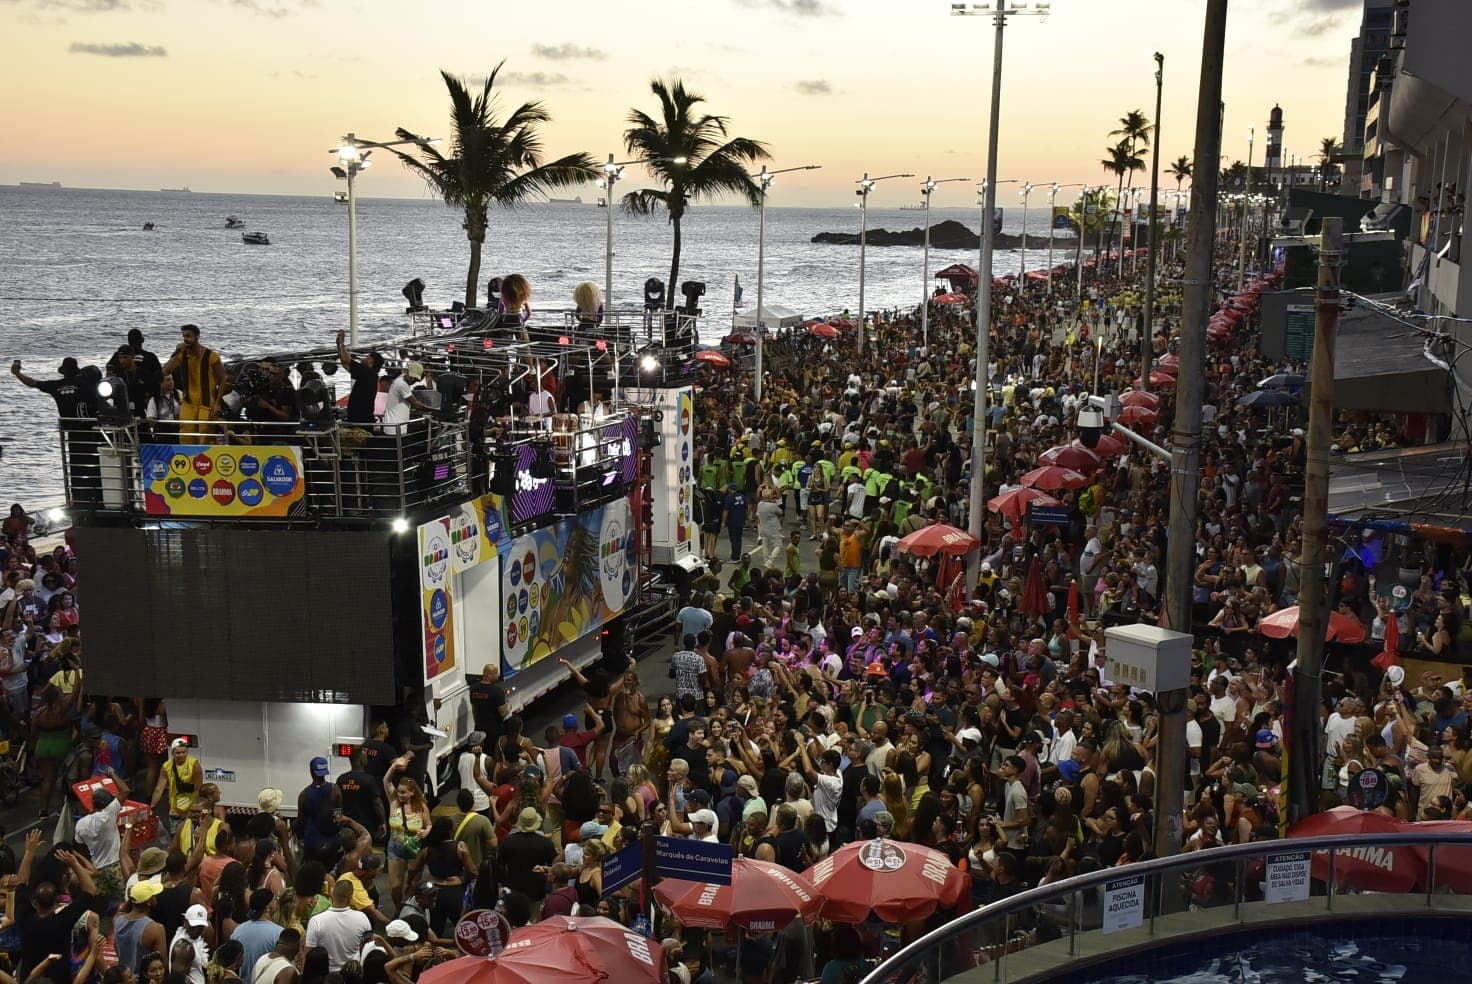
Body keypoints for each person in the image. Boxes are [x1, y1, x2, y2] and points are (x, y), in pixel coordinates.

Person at [495, 808, 556, 921]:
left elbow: (499, 866)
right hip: (536, 892)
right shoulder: (546, 843)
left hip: (513, 891)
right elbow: (555, 866)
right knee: (533, 924)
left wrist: (503, 884)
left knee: (513, 923)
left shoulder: (508, 841)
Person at [160, 325, 226, 426]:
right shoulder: (181, 355)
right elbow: (165, 372)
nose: (185, 339)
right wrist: (176, 352)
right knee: (186, 434)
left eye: (188, 336)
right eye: (184, 337)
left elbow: (222, 379)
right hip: (188, 402)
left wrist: (218, 402)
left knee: (205, 434)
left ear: (197, 337)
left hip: (207, 403)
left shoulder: (211, 356)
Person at [303, 881, 369, 972]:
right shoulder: (362, 918)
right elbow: (368, 947)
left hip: (326, 974)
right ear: (350, 897)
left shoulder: (316, 921)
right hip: (354, 973)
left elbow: (308, 954)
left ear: (332, 894)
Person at [231, 890, 283, 979]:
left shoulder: (238, 931)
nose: (276, 902)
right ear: (267, 907)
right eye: (274, 900)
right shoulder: (279, 933)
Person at [335, 330, 382, 425]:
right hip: (361, 418)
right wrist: (339, 346)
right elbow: (345, 364)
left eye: (367, 357)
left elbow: (346, 360)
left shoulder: (367, 372)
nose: (364, 358)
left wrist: (341, 344)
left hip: (361, 420)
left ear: (371, 362)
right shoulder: (370, 375)